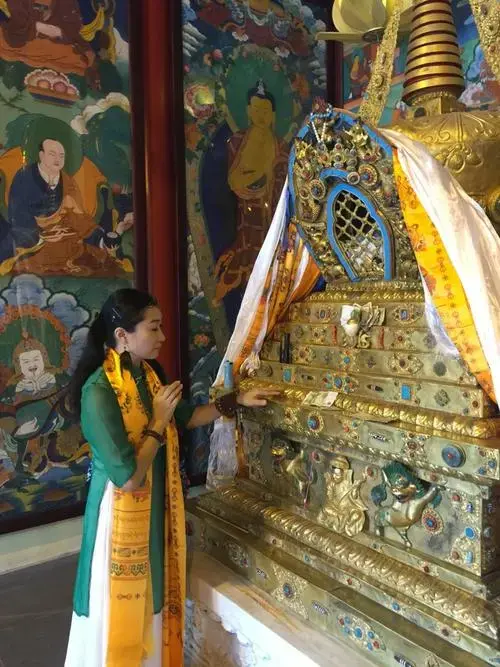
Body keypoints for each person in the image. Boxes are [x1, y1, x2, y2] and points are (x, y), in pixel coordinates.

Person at [64, 288, 278, 666]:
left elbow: (188, 417)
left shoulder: (148, 377)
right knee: (119, 604)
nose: (163, 336)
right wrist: (158, 422)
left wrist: (237, 401)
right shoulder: (98, 392)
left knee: (154, 595)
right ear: (122, 335)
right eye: (154, 328)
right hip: (120, 513)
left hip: (156, 505)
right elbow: (128, 478)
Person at [1, 138, 130, 276]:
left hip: (65, 236)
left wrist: (103, 238)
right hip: (32, 238)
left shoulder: (66, 180)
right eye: (52, 154)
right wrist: (43, 236)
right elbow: (19, 216)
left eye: (61, 156)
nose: (58, 159)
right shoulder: (24, 177)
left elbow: (79, 217)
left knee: (96, 259)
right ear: (41, 155)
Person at [214, 80, 288, 302]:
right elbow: (234, 180)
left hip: (272, 215)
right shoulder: (237, 142)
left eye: (265, 111)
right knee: (244, 257)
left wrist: (274, 172)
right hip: (246, 214)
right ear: (248, 111)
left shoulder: (281, 146)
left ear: (273, 114)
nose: (261, 115)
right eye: (256, 109)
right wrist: (262, 174)